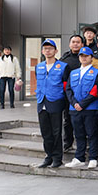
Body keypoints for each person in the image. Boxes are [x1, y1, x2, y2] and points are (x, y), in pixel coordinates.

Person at [65, 46, 98, 169]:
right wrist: (74, 103)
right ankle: (79, 157)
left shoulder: (97, 73)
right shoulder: (73, 72)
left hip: (91, 108)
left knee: (92, 134)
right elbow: (68, 89)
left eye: (86, 56)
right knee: (78, 134)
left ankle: (93, 157)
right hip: (74, 109)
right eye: (81, 56)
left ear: (91, 58)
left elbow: (96, 90)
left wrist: (82, 104)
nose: (84, 58)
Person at [34, 39, 68, 168]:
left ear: (56, 51)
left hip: (55, 101)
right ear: (42, 51)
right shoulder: (39, 66)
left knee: (56, 132)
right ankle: (48, 156)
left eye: (50, 48)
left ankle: (57, 158)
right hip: (41, 101)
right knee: (45, 132)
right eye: (45, 49)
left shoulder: (63, 66)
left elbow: (65, 85)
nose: (48, 51)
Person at [60, 35, 83, 152]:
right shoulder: (64, 59)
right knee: (67, 120)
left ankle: (83, 144)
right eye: (73, 42)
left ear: (82, 44)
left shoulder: (87, 57)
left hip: (84, 94)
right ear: (69, 44)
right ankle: (67, 142)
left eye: (78, 42)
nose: (75, 44)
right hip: (68, 95)